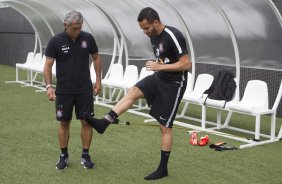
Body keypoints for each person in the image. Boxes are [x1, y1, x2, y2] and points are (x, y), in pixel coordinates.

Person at [84, 7, 191, 180]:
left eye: (146, 28)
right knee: (133, 91)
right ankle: (105, 122)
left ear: (155, 22)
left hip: (175, 84)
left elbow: (186, 64)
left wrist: (160, 66)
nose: (144, 32)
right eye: (142, 29)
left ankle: (163, 169)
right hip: (159, 77)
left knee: (165, 127)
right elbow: (163, 60)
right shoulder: (154, 36)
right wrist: (159, 68)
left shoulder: (173, 35)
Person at [43, 10, 102, 170]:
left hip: (84, 90)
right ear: (65, 25)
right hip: (64, 91)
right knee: (64, 122)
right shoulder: (56, 41)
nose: (78, 31)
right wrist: (49, 87)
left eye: (80, 27)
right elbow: (47, 66)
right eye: (74, 28)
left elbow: (96, 57)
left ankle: (85, 155)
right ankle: (64, 156)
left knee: (86, 122)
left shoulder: (87, 38)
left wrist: (98, 80)